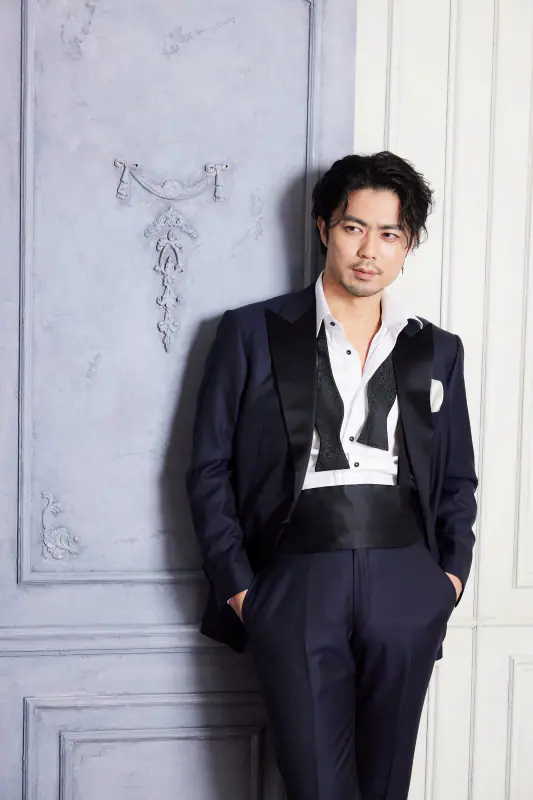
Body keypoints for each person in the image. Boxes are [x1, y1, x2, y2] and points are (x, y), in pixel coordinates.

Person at [186, 151, 478, 799]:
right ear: (324, 229)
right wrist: (241, 590)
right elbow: (207, 469)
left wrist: (448, 582)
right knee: (316, 785)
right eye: (353, 227)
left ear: (408, 245)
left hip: (405, 577)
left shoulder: (437, 349)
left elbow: (457, 478)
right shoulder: (250, 332)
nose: (369, 250)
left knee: (386, 785)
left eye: (389, 233)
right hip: (295, 576)